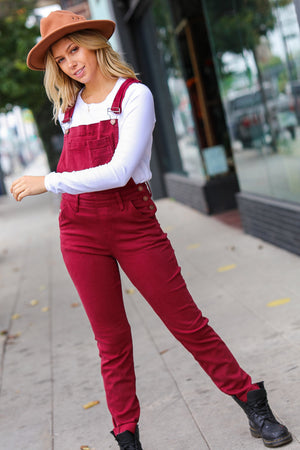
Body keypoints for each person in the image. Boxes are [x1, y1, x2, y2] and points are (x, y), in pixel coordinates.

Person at [10, 10, 292, 450]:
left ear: (94, 44)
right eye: (61, 60)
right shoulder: (68, 108)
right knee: (111, 342)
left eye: (74, 50)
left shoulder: (134, 95)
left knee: (187, 323)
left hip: (132, 222)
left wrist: (48, 181)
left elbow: (120, 171)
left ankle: (252, 399)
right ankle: (127, 437)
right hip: (80, 231)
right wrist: (59, 186)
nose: (71, 64)